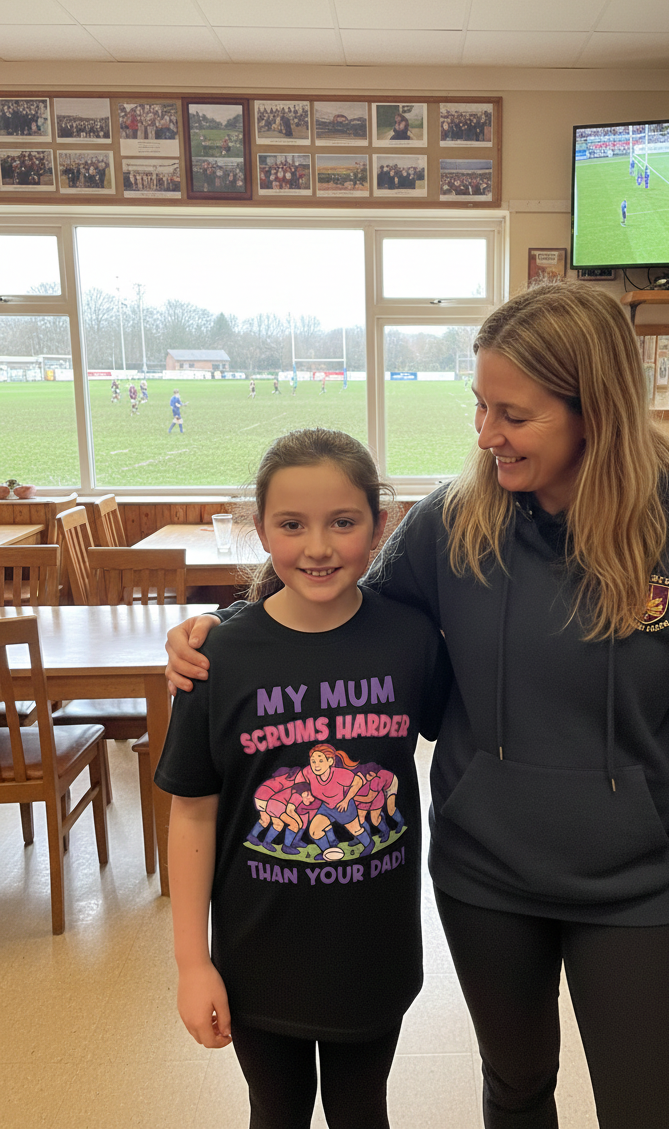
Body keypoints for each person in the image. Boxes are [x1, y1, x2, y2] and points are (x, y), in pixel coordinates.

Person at [164, 283, 669, 1129]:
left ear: (591, 411)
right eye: (480, 406)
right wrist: (224, 631)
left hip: (636, 883)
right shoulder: (457, 524)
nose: (487, 434)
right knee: (518, 1087)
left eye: (513, 415)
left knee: (652, 1110)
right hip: (487, 878)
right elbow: (338, 611)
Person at [156, 428, 450, 1129]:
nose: (317, 546)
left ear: (379, 527)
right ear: (260, 529)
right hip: (258, 960)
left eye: (342, 522)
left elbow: (470, 737)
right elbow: (193, 814)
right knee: (275, 1112)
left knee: (361, 1112)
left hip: (373, 955)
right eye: (292, 524)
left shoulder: (411, 640)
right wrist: (192, 964)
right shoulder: (215, 658)